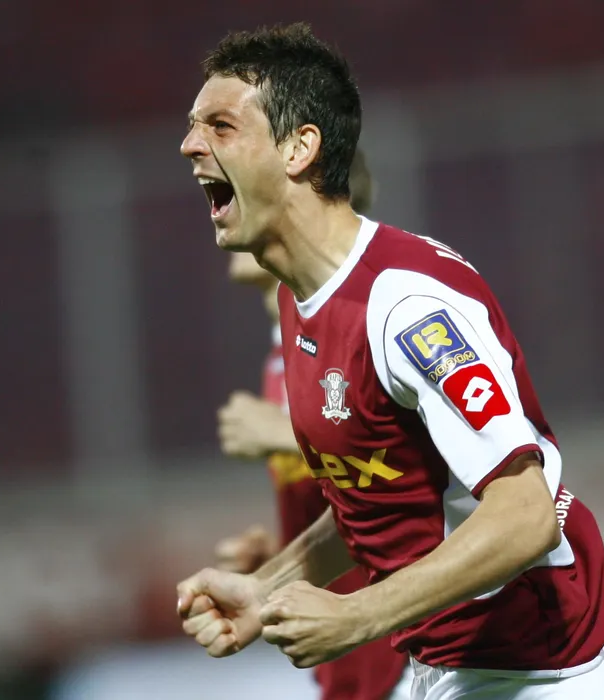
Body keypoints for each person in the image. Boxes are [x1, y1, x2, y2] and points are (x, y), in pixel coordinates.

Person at [177, 22, 604, 699]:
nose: (189, 145)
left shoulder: (408, 308)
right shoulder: (303, 299)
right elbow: (377, 498)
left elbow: (525, 514)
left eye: (220, 126)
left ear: (299, 148)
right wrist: (264, 588)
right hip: (448, 671)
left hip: (529, 676)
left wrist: (358, 614)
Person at [215, 158, 409, 700]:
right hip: (350, 658)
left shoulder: (363, 319)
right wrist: (280, 559)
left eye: (241, 189)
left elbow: (417, 466)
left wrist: (283, 433)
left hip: (401, 648)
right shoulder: (286, 347)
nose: (220, 207)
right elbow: (354, 499)